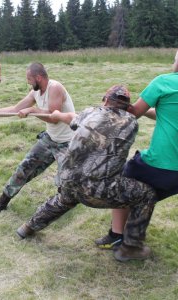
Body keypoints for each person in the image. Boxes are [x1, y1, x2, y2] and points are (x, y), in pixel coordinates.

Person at [15, 85, 158, 262]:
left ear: (105, 100)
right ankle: (131, 247)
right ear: (128, 107)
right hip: (96, 190)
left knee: (62, 200)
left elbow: (71, 118)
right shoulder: (131, 123)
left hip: (67, 180)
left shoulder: (89, 113)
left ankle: (27, 228)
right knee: (147, 194)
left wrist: (57, 115)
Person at [95, 42, 178, 250]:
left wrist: (110, 105)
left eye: (175, 59)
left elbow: (132, 114)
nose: (173, 63)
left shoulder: (164, 82)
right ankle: (130, 240)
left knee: (122, 178)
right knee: (144, 193)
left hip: (163, 166)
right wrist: (149, 108)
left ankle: (117, 235)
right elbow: (170, 114)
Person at [0, 62, 75, 215]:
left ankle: (58, 207)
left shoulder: (55, 88)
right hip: (50, 139)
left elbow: (54, 117)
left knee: (66, 181)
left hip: (68, 143)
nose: (28, 82)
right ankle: (1, 203)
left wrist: (33, 110)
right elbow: (15, 109)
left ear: (38, 77)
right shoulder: (35, 91)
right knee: (24, 168)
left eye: (29, 79)